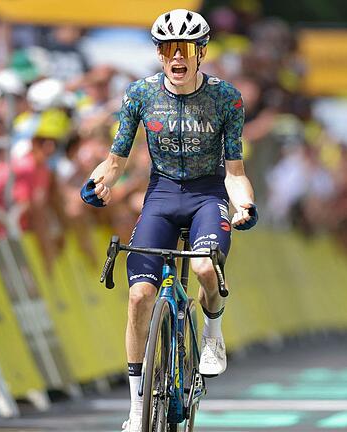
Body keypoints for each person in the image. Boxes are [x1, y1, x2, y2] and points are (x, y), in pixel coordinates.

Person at [79, 9, 257, 432]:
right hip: (160, 196)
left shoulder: (226, 98)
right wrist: (96, 183)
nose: (177, 57)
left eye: (186, 49)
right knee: (139, 297)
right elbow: (115, 158)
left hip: (207, 195)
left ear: (202, 52)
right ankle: (138, 406)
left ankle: (212, 330)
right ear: (160, 54)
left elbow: (235, 171)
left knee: (201, 266)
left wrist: (245, 206)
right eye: (169, 49)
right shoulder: (139, 93)